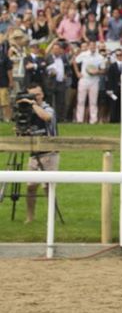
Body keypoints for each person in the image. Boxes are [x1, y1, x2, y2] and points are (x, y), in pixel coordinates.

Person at [17, 85, 57, 223]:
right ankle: (30, 217)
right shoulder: (27, 110)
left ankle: (51, 218)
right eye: (32, 95)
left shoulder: (47, 108)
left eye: (38, 95)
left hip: (49, 152)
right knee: (30, 187)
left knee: (48, 187)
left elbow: (46, 117)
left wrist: (33, 104)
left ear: (42, 95)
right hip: (34, 153)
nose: (35, 98)